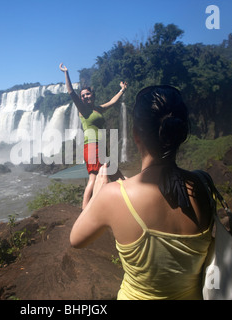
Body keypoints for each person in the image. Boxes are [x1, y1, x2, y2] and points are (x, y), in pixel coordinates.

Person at [70, 85, 214, 300]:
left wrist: (100, 194)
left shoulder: (114, 195)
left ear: (136, 134)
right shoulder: (204, 183)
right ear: (181, 133)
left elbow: (76, 240)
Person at [59, 63, 126, 209]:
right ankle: (85, 209)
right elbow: (71, 92)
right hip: (92, 146)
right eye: (83, 96)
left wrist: (122, 90)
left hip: (101, 147)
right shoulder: (83, 109)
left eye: (87, 94)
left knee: (115, 174)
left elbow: (113, 102)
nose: (85, 97)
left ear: (93, 95)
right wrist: (66, 73)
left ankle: (123, 203)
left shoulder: (98, 109)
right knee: (94, 177)